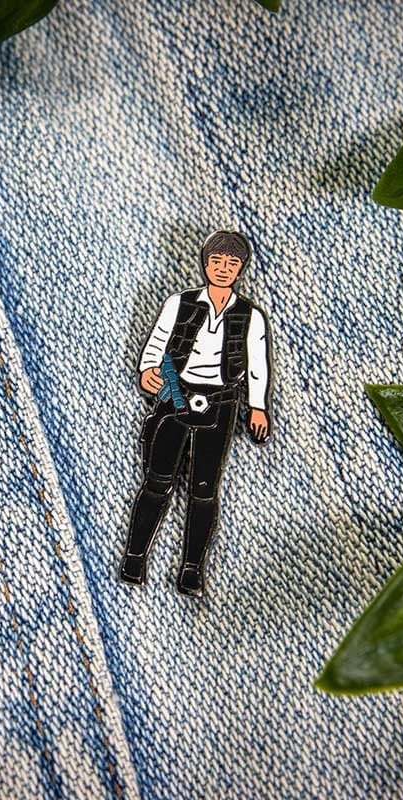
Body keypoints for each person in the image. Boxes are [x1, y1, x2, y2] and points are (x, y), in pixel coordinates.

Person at [120, 231, 272, 596]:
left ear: (240, 269)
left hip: (222, 403)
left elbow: (258, 364)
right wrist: (147, 369)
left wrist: (258, 406)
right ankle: (134, 558)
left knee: (204, 490)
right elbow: (158, 340)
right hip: (175, 392)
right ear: (205, 264)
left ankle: (192, 570)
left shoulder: (251, 316)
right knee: (157, 482)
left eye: (231, 263)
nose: (223, 268)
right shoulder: (180, 303)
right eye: (216, 261)